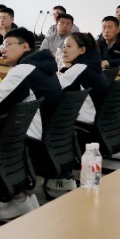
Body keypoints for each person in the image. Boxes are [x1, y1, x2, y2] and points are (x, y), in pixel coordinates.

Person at [0, 27, 63, 221]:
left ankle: (17, 200)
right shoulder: (43, 66)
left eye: (8, 44)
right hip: (48, 139)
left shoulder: (24, 70)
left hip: (31, 141)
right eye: (2, 44)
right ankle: (23, 200)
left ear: (25, 47)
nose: (3, 49)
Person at [47, 32, 110, 195]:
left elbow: (53, 90)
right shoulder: (92, 65)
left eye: (69, 46)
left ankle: (59, 175)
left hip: (86, 126)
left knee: (45, 121)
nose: (64, 50)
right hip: (99, 123)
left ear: (82, 50)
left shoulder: (79, 68)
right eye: (63, 46)